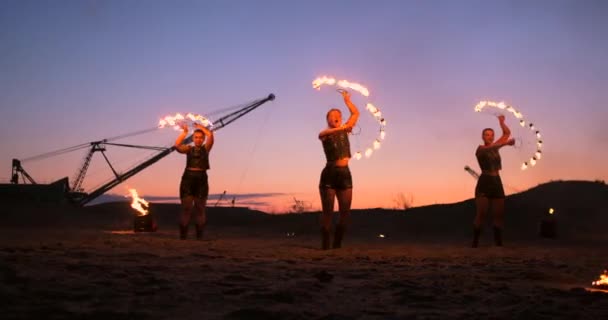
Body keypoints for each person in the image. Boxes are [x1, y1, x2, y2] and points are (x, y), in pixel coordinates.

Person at [318, 89, 360, 250]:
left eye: (338, 115)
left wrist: (347, 101)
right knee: (328, 212)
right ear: (328, 119)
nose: (335, 117)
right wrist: (344, 128)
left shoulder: (344, 130)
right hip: (329, 174)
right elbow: (323, 133)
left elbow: (355, 114)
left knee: (345, 213)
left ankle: (337, 244)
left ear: (341, 118)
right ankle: (325, 244)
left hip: (345, 174)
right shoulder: (325, 134)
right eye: (331, 116)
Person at [472, 115, 515, 248]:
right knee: (482, 214)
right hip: (485, 181)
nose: (489, 137)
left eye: (491, 135)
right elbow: (489, 148)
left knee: (499, 214)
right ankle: (475, 242)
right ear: (482, 137)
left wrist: (501, 122)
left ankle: (498, 243)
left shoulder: (496, 146)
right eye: (486, 135)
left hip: (497, 181)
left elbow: (507, 133)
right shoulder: (480, 149)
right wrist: (506, 144)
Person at [175, 122, 214, 240]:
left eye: (200, 137)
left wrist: (200, 127)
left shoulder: (206, 149)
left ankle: (199, 236)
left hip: (201, 179)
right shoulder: (188, 149)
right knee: (186, 208)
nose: (198, 139)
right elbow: (177, 146)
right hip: (188, 179)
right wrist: (184, 132)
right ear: (193, 138)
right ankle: (183, 236)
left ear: (203, 139)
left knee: (200, 208)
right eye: (196, 137)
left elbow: (210, 135)